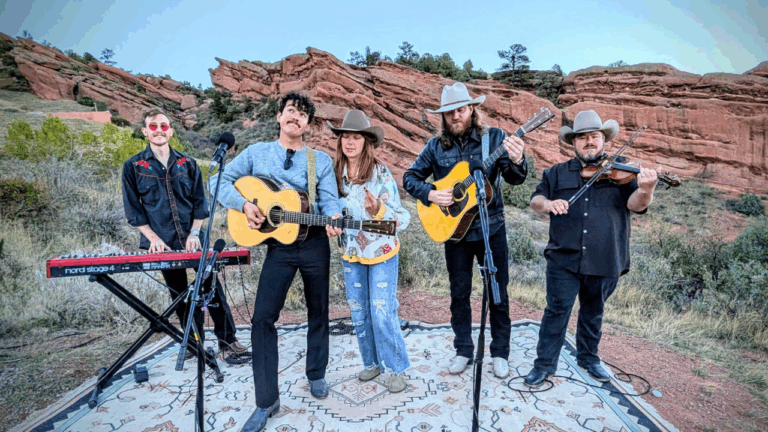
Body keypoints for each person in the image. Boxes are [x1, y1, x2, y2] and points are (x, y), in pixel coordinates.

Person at [209, 92, 343, 432]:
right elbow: (217, 180)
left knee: (318, 311)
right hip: (279, 247)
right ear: (279, 116)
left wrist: (334, 216)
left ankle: (316, 373)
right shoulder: (256, 153)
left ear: (308, 124)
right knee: (262, 318)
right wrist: (243, 205)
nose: (295, 117)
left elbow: (330, 200)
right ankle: (266, 400)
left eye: (303, 115)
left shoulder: (319, 160)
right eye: (290, 111)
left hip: (314, 242)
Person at [523, 110, 659, 387]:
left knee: (593, 312)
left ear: (603, 140)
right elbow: (536, 199)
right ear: (573, 142)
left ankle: (588, 358)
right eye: (582, 137)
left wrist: (646, 190)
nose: (589, 142)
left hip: (605, 257)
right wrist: (548, 204)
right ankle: (544, 365)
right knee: (556, 311)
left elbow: (636, 205)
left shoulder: (622, 171)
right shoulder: (556, 172)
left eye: (594, 136)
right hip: (563, 257)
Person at [402, 82, 528, 379]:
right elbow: (410, 178)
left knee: (497, 292)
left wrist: (517, 159)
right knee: (459, 293)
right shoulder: (435, 147)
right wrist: (431, 194)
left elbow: (515, 179)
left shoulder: (494, 138)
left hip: (491, 228)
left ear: (472, 109)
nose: (455, 116)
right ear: (443, 116)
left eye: (460, 109)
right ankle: (463, 350)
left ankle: (500, 352)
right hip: (455, 233)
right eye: (449, 112)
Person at [121, 108, 247, 361]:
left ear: (171, 131)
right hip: (162, 242)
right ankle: (194, 343)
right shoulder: (132, 166)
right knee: (178, 293)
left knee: (211, 287)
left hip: (194, 237)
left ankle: (227, 340)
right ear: (145, 131)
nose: (158, 130)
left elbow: (200, 203)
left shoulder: (188, 163)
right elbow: (133, 210)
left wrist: (194, 233)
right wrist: (153, 239)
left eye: (163, 126)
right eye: (153, 126)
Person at [328, 109, 412, 393]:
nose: (349, 142)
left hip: (381, 252)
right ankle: (372, 362)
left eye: (356, 137)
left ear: (366, 141)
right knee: (359, 311)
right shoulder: (335, 175)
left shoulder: (380, 173)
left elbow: (402, 218)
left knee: (381, 311)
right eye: (345, 137)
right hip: (351, 252)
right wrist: (330, 221)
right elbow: (329, 207)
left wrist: (378, 210)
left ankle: (396, 368)